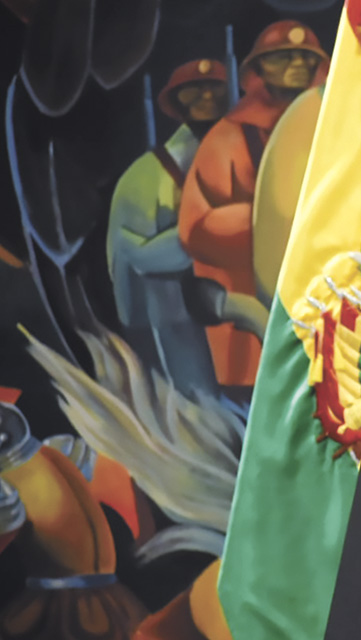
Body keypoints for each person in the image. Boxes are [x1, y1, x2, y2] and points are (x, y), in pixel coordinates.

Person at [178, 20, 329, 394]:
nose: (297, 64)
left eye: (304, 57)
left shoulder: (329, 126)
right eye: (283, 57)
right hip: (248, 312)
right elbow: (194, 228)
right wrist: (269, 220)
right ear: (259, 68)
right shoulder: (229, 136)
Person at [106, 58, 227, 400]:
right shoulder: (146, 175)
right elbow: (136, 255)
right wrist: (213, 232)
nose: (207, 96)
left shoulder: (234, 154)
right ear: (177, 102)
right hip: (166, 317)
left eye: (216, 87)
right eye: (195, 91)